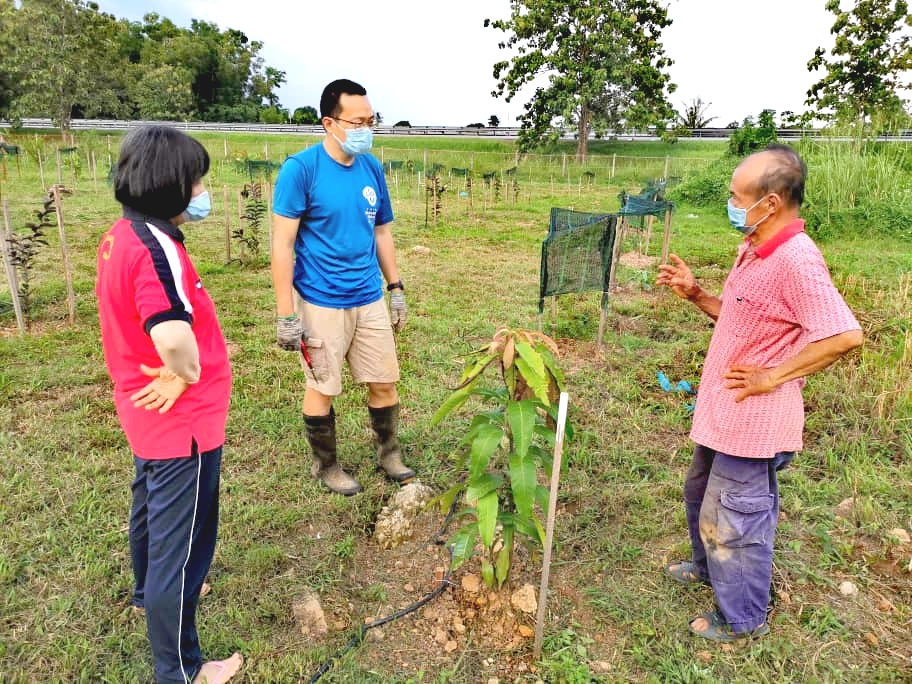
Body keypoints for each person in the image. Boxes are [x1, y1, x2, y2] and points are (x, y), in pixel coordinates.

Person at [656, 144, 863, 642]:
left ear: (769, 203)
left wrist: (772, 376)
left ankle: (743, 615)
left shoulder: (796, 258)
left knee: (736, 521)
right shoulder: (754, 247)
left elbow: (844, 335)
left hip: (754, 423)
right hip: (723, 413)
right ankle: (708, 569)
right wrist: (698, 295)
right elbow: (745, 315)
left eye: (736, 196)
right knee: (700, 495)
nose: (730, 204)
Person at [96, 125, 243, 683]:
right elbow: (173, 336)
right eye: (197, 179)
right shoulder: (158, 251)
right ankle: (182, 670)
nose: (203, 190)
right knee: (182, 542)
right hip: (184, 423)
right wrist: (186, 375)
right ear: (171, 185)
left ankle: (145, 592)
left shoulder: (122, 235)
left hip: (145, 413)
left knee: (150, 511)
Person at [271, 78, 412, 496]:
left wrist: (396, 286)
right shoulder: (301, 170)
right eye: (357, 122)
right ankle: (327, 465)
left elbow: (381, 233)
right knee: (322, 387)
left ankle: (389, 453)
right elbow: (283, 245)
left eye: (371, 121)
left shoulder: (370, 167)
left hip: (368, 295)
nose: (366, 129)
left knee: (384, 381)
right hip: (321, 301)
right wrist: (285, 314)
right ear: (329, 123)